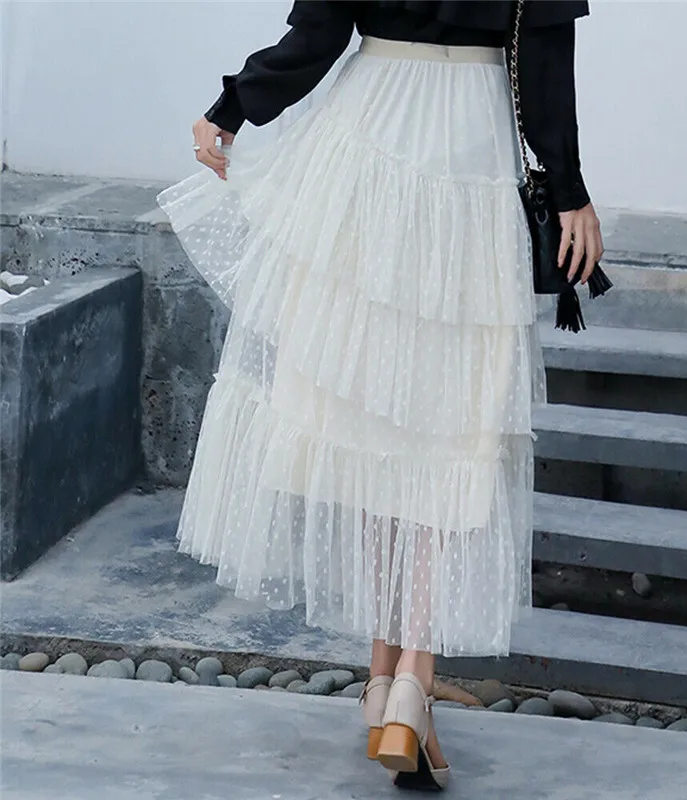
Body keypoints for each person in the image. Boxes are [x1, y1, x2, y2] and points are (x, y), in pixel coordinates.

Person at [156, 0, 603, 791]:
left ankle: (382, 681)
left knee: (371, 417)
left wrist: (232, 107)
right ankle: (411, 685)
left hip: (364, 143)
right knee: (448, 431)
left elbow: (320, 32)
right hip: (465, 150)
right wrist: (568, 190)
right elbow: (542, 59)